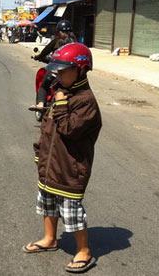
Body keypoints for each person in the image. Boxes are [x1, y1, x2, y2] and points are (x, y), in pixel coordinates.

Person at [24, 43, 102, 274]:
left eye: (63, 70)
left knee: (71, 211)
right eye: (56, 70)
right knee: (47, 203)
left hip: (70, 168)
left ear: (81, 70)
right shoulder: (62, 92)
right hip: (51, 164)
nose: (57, 74)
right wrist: (40, 153)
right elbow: (48, 128)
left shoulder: (85, 101)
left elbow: (68, 129)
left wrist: (58, 102)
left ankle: (84, 250)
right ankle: (49, 238)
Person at [33, 20, 77, 109]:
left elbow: (44, 52)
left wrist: (38, 57)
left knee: (44, 86)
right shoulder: (75, 43)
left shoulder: (56, 41)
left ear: (58, 31)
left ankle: (40, 105)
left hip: (56, 70)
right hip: (72, 71)